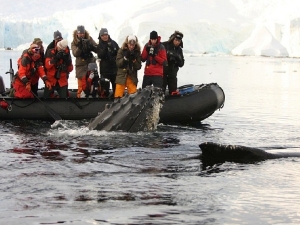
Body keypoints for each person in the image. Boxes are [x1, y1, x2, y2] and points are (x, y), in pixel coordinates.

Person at [71, 25, 97, 98]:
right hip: (81, 68)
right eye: (80, 33)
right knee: (81, 88)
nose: (81, 35)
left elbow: (97, 49)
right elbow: (75, 53)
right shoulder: (74, 42)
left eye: (83, 33)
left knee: (92, 86)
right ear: (77, 34)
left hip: (90, 66)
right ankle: (80, 101)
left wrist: (91, 46)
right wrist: (80, 47)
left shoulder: (89, 39)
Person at [96, 28, 119, 97]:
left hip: (114, 71)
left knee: (116, 90)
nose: (105, 36)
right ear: (100, 36)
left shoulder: (114, 43)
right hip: (105, 72)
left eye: (106, 35)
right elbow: (100, 55)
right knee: (105, 91)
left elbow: (119, 53)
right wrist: (106, 48)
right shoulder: (99, 45)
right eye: (103, 35)